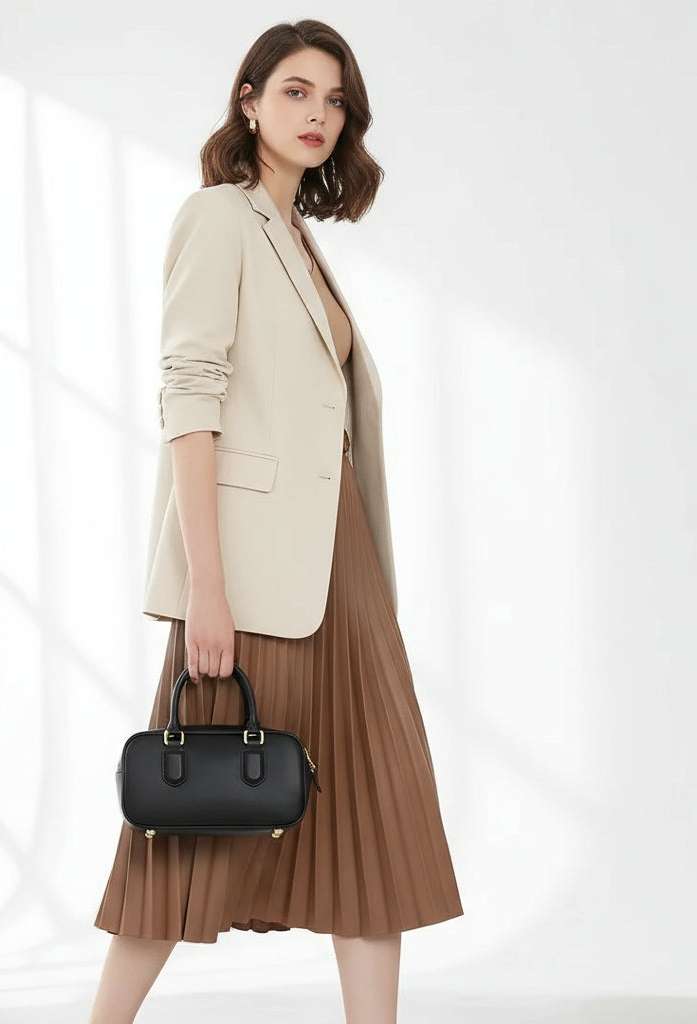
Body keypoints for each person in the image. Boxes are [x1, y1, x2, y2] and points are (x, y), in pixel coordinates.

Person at [89, 19, 463, 1024]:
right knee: (185, 830)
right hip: (250, 577)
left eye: (334, 100)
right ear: (247, 100)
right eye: (296, 92)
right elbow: (190, 399)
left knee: (374, 825)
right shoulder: (220, 217)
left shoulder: (292, 235)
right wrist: (205, 590)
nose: (318, 115)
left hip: (341, 571)